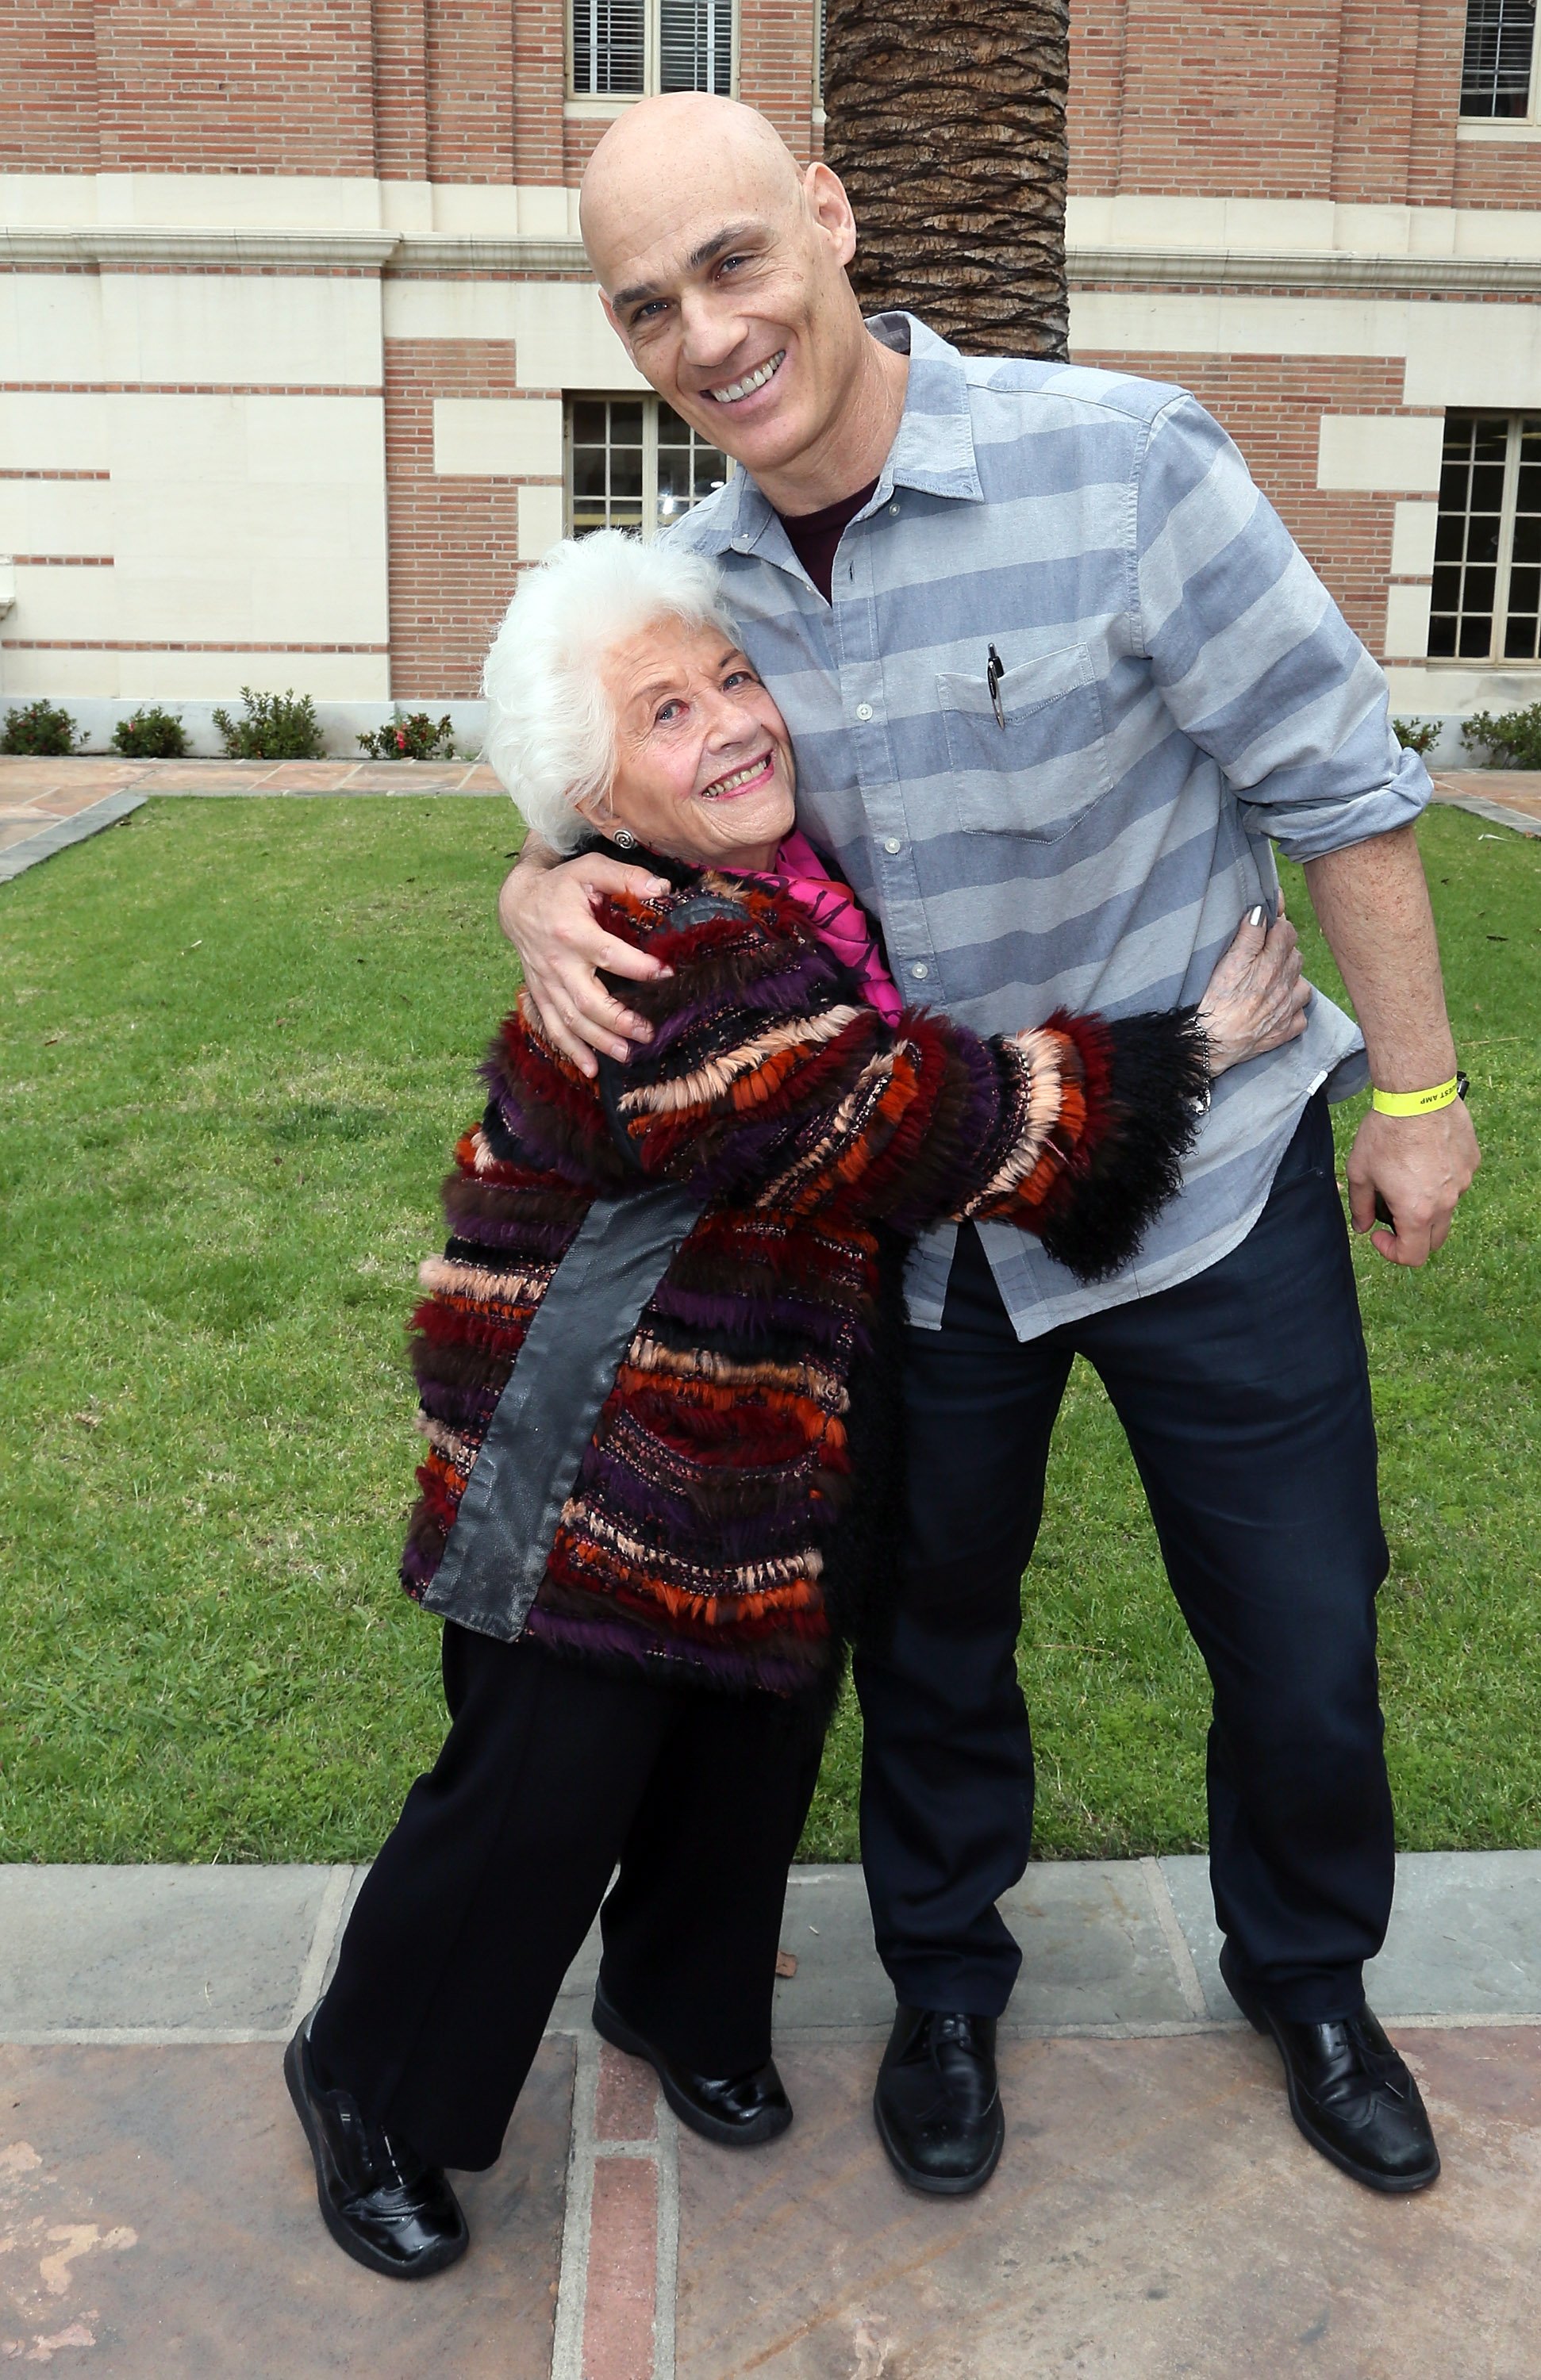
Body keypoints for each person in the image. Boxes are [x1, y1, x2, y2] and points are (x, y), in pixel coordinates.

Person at [498, 93, 1481, 2199]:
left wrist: (1409, 1090)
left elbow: (1338, 785)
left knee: (1298, 1632)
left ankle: (1305, 1974)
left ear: (831, 221)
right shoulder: (699, 572)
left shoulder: (1123, 461)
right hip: (933, 1221)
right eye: (647, 305)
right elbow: (607, 773)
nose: (703, 331)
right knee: (931, 1638)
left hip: (1209, 1189)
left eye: (733, 263)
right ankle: (942, 1986)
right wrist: (527, 877)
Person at [285, 529, 1306, 2278]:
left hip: (755, 1407)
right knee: (550, 1772)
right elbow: (916, 1122)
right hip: (592, 1425)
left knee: (747, 1727)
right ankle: (368, 2071)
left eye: (731, 679)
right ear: (591, 795)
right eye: (663, 713)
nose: (733, 725)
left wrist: (529, 862)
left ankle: (677, 2008)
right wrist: (1187, 1050)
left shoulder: (782, 886)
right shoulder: (666, 947)